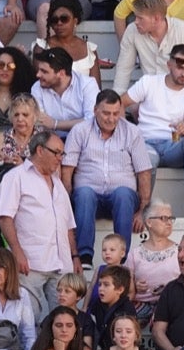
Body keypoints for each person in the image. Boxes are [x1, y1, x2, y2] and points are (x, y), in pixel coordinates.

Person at [62, 89, 151, 266]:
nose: (111, 118)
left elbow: (144, 172)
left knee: (123, 194)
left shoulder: (132, 132)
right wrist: (66, 206)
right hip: (87, 197)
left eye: (115, 113)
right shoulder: (80, 131)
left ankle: (121, 257)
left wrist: (142, 211)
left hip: (122, 198)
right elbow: (67, 170)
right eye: (106, 113)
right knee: (85, 194)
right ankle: (85, 256)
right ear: (95, 110)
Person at [0, 129, 79, 315]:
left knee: (63, 320)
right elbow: (4, 218)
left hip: (61, 263)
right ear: (40, 150)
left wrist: (74, 257)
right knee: (29, 322)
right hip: (30, 264)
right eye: (56, 152)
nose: (60, 158)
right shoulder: (15, 177)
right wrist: (17, 252)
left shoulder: (58, 184)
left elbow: (68, 225)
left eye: (62, 154)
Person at [122, 45, 184, 218]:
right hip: (145, 142)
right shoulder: (149, 82)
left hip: (172, 144)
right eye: (180, 67)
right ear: (169, 65)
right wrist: (127, 130)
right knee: (150, 157)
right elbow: (120, 103)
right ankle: (144, 207)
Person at [113, 0, 184, 94]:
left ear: (156, 19)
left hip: (179, 94)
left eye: (140, 18)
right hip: (149, 93)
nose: (136, 22)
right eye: (135, 17)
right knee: (130, 104)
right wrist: (117, 102)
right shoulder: (132, 30)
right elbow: (124, 68)